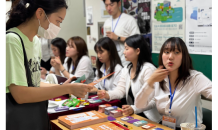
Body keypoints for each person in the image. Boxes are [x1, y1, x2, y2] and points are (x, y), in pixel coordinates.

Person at [5, 0, 93, 129]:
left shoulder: (35, 41)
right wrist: (66, 89)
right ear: (40, 13)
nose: (58, 27)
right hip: (18, 119)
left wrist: (63, 85)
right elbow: (20, 95)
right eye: (58, 21)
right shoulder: (12, 41)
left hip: (35, 115)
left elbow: (34, 82)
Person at [134, 37, 212, 130]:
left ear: (184, 56)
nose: (170, 57)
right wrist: (150, 82)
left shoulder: (195, 78)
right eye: (166, 52)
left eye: (176, 52)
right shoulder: (158, 78)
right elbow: (139, 105)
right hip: (165, 126)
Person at [97, 34, 162, 123]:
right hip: (134, 115)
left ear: (138, 51)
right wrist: (107, 94)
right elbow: (120, 90)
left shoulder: (148, 69)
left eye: (127, 49)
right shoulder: (127, 69)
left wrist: (134, 108)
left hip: (150, 118)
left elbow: (154, 100)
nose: (124, 52)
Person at [103, 0, 140, 66]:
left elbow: (137, 42)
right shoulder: (106, 22)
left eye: (111, 5)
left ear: (119, 4)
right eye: (106, 5)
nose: (108, 8)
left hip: (126, 62)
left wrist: (118, 38)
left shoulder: (129, 20)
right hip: (112, 62)